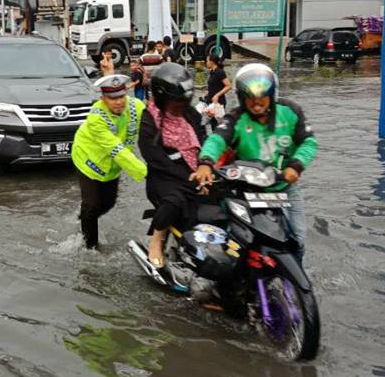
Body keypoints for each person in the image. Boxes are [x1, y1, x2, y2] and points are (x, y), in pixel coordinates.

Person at [191, 63, 318, 263]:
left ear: (272, 95)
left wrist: (296, 164)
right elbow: (217, 139)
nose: (257, 104)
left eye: (262, 99)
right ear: (242, 98)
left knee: (298, 241)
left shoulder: (290, 111)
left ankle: (296, 280)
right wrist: (205, 162)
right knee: (243, 243)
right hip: (248, 191)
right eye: (251, 99)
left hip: (285, 188)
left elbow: (309, 142)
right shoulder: (235, 118)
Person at [138, 63, 204, 267]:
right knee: (175, 199)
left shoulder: (192, 115)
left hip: (196, 175)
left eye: (182, 103)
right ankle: (157, 239)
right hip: (163, 178)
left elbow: (205, 142)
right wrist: (188, 179)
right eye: (174, 103)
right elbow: (154, 157)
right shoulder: (150, 119)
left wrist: (205, 171)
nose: (179, 108)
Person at [72, 75, 148, 249]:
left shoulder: (135, 106)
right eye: (112, 98)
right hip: (88, 160)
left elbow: (154, 123)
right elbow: (117, 150)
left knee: (109, 203)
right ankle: (90, 247)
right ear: (103, 99)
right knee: (92, 205)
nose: (118, 102)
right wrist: (148, 173)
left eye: (121, 96)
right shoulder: (96, 118)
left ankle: (84, 217)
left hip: (111, 167)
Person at [202, 52, 231, 127]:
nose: (206, 62)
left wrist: (217, 95)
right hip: (211, 103)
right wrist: (208, 91)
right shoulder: (212, 72)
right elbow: (214, 84)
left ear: (212, 62)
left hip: (218, 103)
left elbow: (228, 86)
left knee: (218, 125)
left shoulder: (220, 72)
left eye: (207, 61)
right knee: (213, 124)